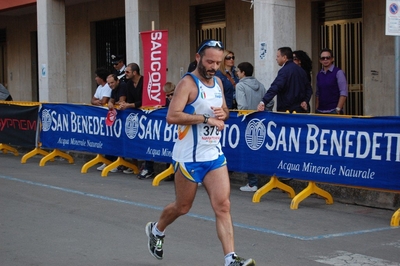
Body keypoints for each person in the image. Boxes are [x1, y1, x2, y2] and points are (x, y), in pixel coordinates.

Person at [145, 39, 255, 266]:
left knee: (223, 206)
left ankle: (230, 259)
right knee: (182, 207)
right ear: (198, 58)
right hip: (188, 158)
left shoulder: (218, 83)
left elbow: (224, 109)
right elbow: (172, 116)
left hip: (213, 155)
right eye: (210, 61)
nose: (214, 66)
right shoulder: (188, 83)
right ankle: (157, 229)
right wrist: (206, 118)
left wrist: (222, 114)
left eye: (218, 62)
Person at [235, 62, 273, 192]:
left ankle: (252, 183)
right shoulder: (261, 85)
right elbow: (270, 101)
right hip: (261, 121)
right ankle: (258, 180)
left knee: (248, 151)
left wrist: (242, 115)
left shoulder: (240, 86)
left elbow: (243, 106)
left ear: (243, 73)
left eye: (238, 71)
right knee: (258, 150)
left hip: (247, 121)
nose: (237, 73)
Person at [257, 47, 312, 113]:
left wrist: (264, 101)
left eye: (278, 56)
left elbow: (276, 87)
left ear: (284, 57)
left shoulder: (284, 71)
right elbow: (309, 89)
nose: (276, 58)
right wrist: (305, 101)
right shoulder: (302, 71)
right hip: (300, 111)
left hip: (286, 112)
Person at [143, 82, 176, 182]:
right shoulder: (166, 101)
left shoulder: (180, 99)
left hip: (177, 129)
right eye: (167, 95)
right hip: (167, 129)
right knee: (164, 146)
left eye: (172, 94)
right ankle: (166, 171)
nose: (170, 97)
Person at [119, 63, 143, 175]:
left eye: (127, 72)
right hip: (134, 113)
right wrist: (124, 104)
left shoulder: (145, 81)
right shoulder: (128, 84)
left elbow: (144, 101)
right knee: (132, 138)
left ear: (135, 72)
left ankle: (146, 166)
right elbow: (129, 99)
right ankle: (134, 164)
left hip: (145, 113)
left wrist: (130, 105)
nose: (125, 74)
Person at [315, 48, 348, 114]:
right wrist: (316, 109)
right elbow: (318, 93)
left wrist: (338, 109)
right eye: (323, 58)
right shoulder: (319, 74)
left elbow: (343, 93)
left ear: (332, 59)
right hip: (320, 111)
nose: (325, 60)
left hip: (334, 111)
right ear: (320, 60)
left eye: (328, 58)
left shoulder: (338, 73)